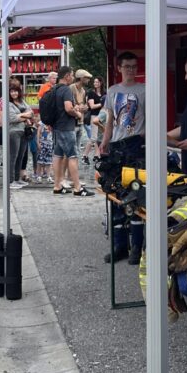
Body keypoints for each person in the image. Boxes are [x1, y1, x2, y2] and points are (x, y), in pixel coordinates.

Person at [101, 52, 146, 263]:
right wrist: (104, 141)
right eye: (127, 66)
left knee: (135, 195)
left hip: (136, 145)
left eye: (134, 66)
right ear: (119, 68)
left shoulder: (144, 90)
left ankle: (137, 246)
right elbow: (110, 120)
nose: (131, 70)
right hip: (117, 146)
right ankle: (120, 245)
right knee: (116, 195)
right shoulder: (112, 91)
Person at [51, 66, 92, 196]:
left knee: (57, 156)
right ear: (67, 76)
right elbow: (68, 108)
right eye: (72, 75)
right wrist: (78, 114)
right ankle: (78, 188)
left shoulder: (54, 89)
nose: (73, 78)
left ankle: (57, 186)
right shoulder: (66, 90)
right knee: (72, 156)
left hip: (57, 126)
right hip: (67, 127)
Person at [5, 83, 34, 189]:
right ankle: (10, 181)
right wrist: (25, 116)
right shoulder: (8, 104)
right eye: (11, 91)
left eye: (15, 91)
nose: (14, 93)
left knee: (20, 157)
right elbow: (12, 118)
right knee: (13, 156)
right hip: (13, 132)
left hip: (23, 132)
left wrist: (22, 115)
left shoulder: (22, 101)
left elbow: (31, 112)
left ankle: (17, 179)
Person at [82, 75, 105, 164]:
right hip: (94, 116)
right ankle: (84, 155)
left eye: (97, 82)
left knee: (100, 138)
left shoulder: (104, 93)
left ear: (101, 83)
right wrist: (101, 103)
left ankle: (97, 155)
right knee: (93, 138)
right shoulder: (91, 93)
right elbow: (92, 106)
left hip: (103, 117)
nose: (95, 83)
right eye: (94, 82)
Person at [72, 69, 91, 159]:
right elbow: (69, 104)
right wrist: (81, 107)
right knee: (71, 150)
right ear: (81, 78)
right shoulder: (72, 87)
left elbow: (84, 104)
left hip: (80, 121)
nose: (88, 80)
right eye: (87, 78)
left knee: (77, 150)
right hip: (72, 122)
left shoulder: (83, 90)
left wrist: (85, 107)